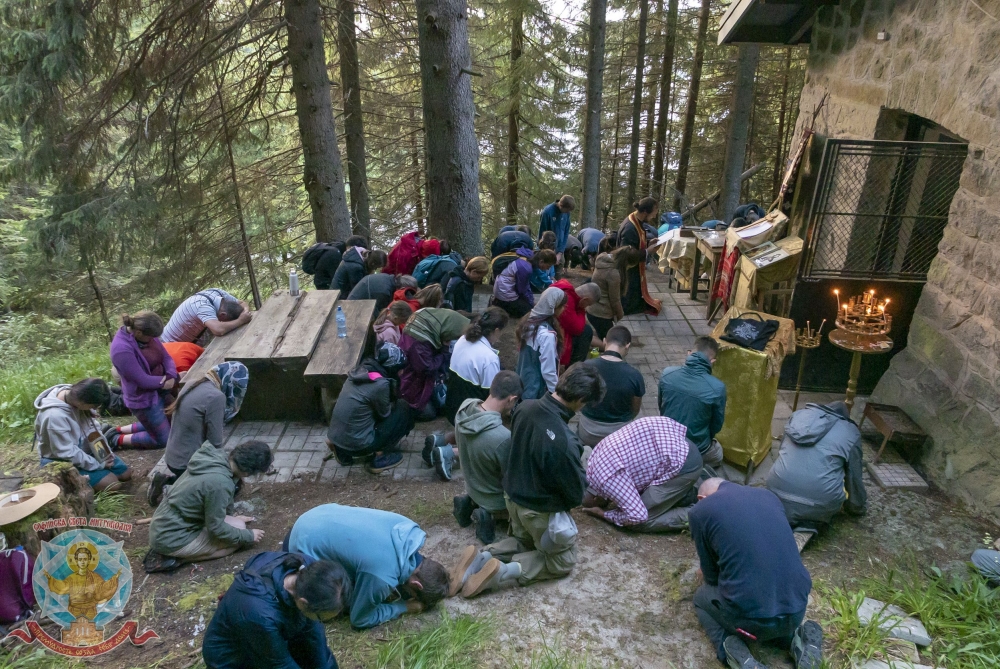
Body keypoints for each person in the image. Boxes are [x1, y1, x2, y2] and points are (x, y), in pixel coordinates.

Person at [458, 364, 605, 598]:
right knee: (562, 561)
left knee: (523, 540)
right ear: (581, 399)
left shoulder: (524, 408)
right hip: (536, 511)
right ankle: (504, 572)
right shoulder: (565, 443)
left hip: (512, 499)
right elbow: (575, 495)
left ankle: (482, 557)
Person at [689, 479, 822, 669]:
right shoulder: (769, 497)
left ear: (701, 498)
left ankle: (730, 651)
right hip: (797, 610)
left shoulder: (700, 511)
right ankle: (796, 641)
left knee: (701, 598)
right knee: (772, 609)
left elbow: (710, 578)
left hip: (750, 622)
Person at [286, 504, 451, 630]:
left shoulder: (408, 530)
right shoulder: (382, 576)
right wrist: (404, 606)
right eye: (413, 595)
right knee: (337, 598)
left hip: (316, 514)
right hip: (301, 545)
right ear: (416, 585)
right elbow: (360, 619)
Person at [202, 551, 351, 669]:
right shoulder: (260, 614)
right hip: (232, 657)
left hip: (271, 632)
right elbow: (279, 664)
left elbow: (314, 637)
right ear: (303, 603)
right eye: (320, 617)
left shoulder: (309, 571)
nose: (321, 622)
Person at [148, 440, 272, 566]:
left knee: (239, 525)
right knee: (237, 542)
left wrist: (230, 518)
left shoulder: (216, 459)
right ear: (247, 472)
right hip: (171, 538)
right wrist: (249, 536)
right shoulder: (219, 483)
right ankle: (178, 560)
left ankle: (181, 552)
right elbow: (216, 528)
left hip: (164, 525)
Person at [150, 362, 250, 506]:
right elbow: (215, 443)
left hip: (172, 457)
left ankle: (173, 481)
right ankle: (172, 490)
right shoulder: (216, 397)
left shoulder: (192, 383)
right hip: (186, 463)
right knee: (231, 485)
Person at [766, 402, 867, 544]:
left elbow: (783, 452)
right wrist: (857, 507)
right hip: (817, 502)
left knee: (785, 499)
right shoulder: (851, 431)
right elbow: (854, 477)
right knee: (817, 501)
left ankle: (781, 518)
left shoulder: (797, 416)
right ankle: (808, 525)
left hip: (775, 491)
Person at [581, 416, 702, 533]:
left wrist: (603, 514)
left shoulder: (609, 480)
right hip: (674, 441)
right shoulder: (594, 460)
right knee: (640, 499)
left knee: (640, 523)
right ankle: (684, 494)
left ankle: (699, 514)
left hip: (682, 464)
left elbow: (638, 516)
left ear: (597, 496)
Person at [450, 372, 522, 544]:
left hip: (471, 483)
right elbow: (511, 478)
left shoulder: (465, 408)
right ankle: (488, 514)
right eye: (515, 403)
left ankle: (470, 501)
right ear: (512, 399)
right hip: (492, 497)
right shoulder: (502, 437)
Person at [34, 378, 131, 493]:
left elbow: (93, 431)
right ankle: (75, 487)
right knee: (113, 484)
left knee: (125, 474)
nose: (94, 410)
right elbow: (66, 453)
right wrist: (98, 464)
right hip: (61, 460)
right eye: (93, 407)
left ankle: (97, 474)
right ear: (82, 403)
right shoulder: (54, 417)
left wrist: (104, 454)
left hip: (84, 451)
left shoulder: (76, 396)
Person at [326, 358, 415, 473]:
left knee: (362, 414)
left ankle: (341, 452)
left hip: (336, 437)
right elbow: (384, 415)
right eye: (400, 369)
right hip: (360, 446)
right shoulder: (381, 384)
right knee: (403, 408)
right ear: (392, 368)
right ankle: (381, 456)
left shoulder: (356, 374)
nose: (402, 373)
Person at [109, 311, 178, 449]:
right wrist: (164, 381)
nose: (154, 339)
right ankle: (118, 439)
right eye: (152, 337)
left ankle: (120, 429)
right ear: (139, 332)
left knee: (177, 424)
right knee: (164, 440)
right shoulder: (121, 349)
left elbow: (166, 357)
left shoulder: (147, 336)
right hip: (143, 399)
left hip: (161, 389)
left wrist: (171, 374)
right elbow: (141, 380)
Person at [658, 336, 726, 469]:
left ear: (689, 353)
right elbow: (716, 425)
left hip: (667, 443)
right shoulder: (717, 388)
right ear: (712, 361)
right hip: (696, 448)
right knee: (718, 453)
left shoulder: (667, 374)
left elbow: (661, 407)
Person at [577, 326, 645, 447]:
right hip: (619, 436)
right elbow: (635, 410)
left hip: (588, 431)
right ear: (627, 345)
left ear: (604, 341)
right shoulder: (634, 375)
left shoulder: (586, 366)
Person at [398, 308, 470, 420]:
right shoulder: (420, 344)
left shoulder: (429, 328)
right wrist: (445, 350)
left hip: (420, 381)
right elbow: (427, 367)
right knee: (430, 413)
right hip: (412, 387)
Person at [442, 307, 509, 425]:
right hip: (469, 417)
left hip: (451, 407)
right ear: (497, 330)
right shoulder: (489, 358)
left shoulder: (463, 338)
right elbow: (492, 394)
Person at [515, 287, 565, 400]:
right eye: (563, 306)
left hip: (523, 378)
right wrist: (554, 393)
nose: (564, 309)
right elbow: (548, 370)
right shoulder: (547, 334)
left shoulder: (528, 322)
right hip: (536, 388)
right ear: (555, 307)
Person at [617, 197, 662, 315]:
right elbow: (626, 254)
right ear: (645, 212)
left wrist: (648, 243)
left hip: (634, 266)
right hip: (627, 268)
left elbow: (635, 244)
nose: (653, 217)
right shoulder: (629, 228)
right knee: (629, 297)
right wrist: (648, 251)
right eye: (653, 214)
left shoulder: (636, 220)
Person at [586, 247, 641, 340]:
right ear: (627, 263)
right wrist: (620, 314)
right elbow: (615, 300)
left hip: (591, 308)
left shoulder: (602, 259)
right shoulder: (613, 274)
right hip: (601, 314)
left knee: (603, 335)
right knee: (610, 341)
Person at [161, 288, 251, 344]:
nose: (223, 323)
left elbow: (242, 303)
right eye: (225, 321)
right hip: (170, 346)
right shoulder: (203, 306)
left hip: (188, 344)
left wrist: (244, 314)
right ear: (223, 315)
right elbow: (219, 330)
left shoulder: (219, 294)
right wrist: (240, 321)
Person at [492, 248, 556, 318]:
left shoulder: (529, 256)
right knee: (528, 311)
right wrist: (531, 303)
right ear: (541, 261)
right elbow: (522, 290)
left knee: (528, 304)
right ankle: (501, 304)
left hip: (502, 286)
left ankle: (500, 302)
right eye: (548, 266)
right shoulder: (525, 268)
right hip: (505, 292)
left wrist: (530, 299)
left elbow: (525, 284)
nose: (547, 269)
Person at [552, 280, 602, 367]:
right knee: (586, 332)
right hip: (551, 334)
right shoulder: (567, 300)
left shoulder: (566, 287)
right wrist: (582, 310)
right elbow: (577, 329)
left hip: (552, 327)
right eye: (588, 304)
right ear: (585, 299)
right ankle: (574, 367)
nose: (586, 307)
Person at [348, 273, 418, 312]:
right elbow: (379, 314)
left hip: (359, 300)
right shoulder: (384, 292)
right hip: (354, 307)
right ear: (402, 288)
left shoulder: (388, 278)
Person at [538, 195, 575, 266]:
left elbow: (566, 233)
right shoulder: (547, 212)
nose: (568, 212)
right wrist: (546, 251)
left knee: (559, 268)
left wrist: (560, 252)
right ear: (561, 206)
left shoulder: (567, 213)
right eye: (567, 210)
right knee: (546, 271)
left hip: (559, 249)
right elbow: (542, 233)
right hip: (547, 249)